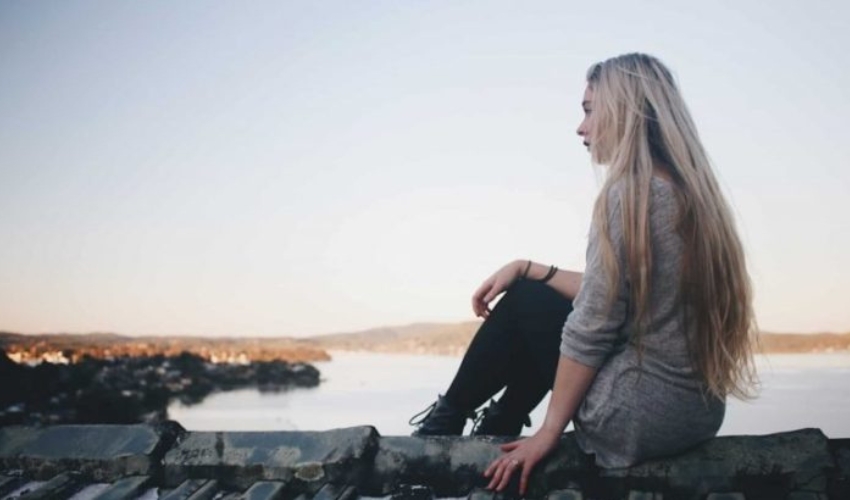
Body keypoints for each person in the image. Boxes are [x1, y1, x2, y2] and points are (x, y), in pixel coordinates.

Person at [408, 53, 759, 495]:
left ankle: (450, 424)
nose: (581, 126)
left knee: (526, 303)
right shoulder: (692, 194)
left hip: (635, 416)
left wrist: (549, 434)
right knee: (534, 289)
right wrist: (530, 267)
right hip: (696, 414)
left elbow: (591, 326)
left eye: (589, 109)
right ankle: (497, 421)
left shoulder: (629, 196)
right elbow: (612, 292)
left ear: (625, 111)